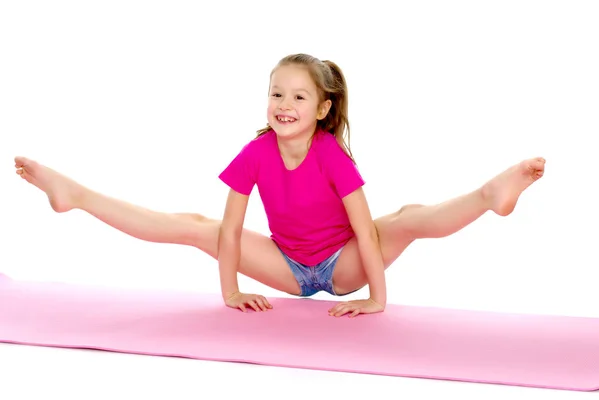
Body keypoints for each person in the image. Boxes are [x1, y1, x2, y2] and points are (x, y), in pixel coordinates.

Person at [14, 53, 545, 318]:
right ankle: (76, 196)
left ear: (322, 108)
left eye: (297, 97)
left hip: (344, 265)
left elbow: (363, 229)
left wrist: (375, 299)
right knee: (194, 226)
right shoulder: (256, 152)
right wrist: (230, 292)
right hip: (287, 268)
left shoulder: (331, 156)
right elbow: (231, 230)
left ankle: (488, 196)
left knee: (405, 217)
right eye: (276, 94)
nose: (283, 106)